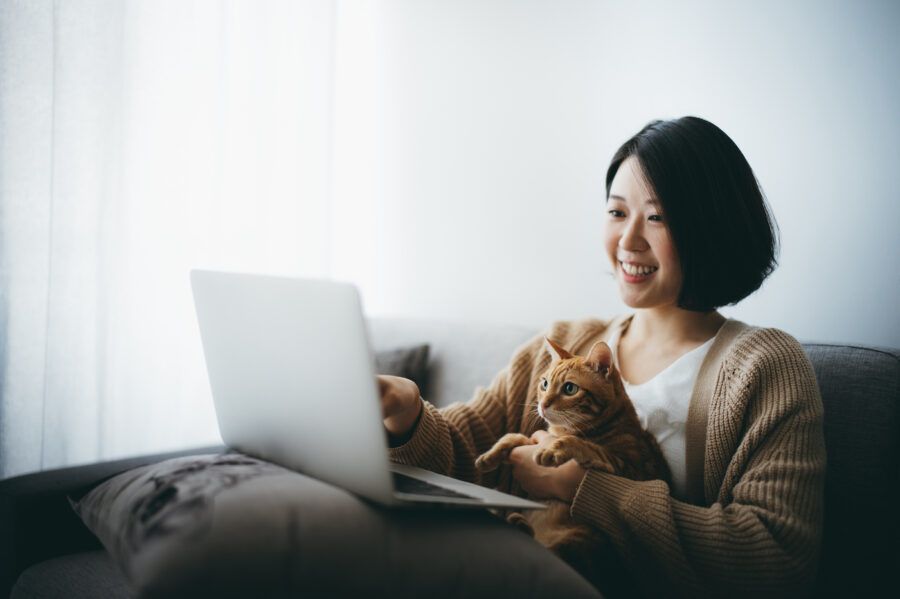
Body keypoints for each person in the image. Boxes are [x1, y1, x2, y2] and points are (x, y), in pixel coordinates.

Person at [377, 116, 826, 597]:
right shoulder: (564, 344)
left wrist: (582, 489)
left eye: (657, 217)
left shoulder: (764, 367)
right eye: (617, 213)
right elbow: (463, 454)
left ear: (712, 227)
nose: (629, 240)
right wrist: (407, 418)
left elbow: (773, 557)